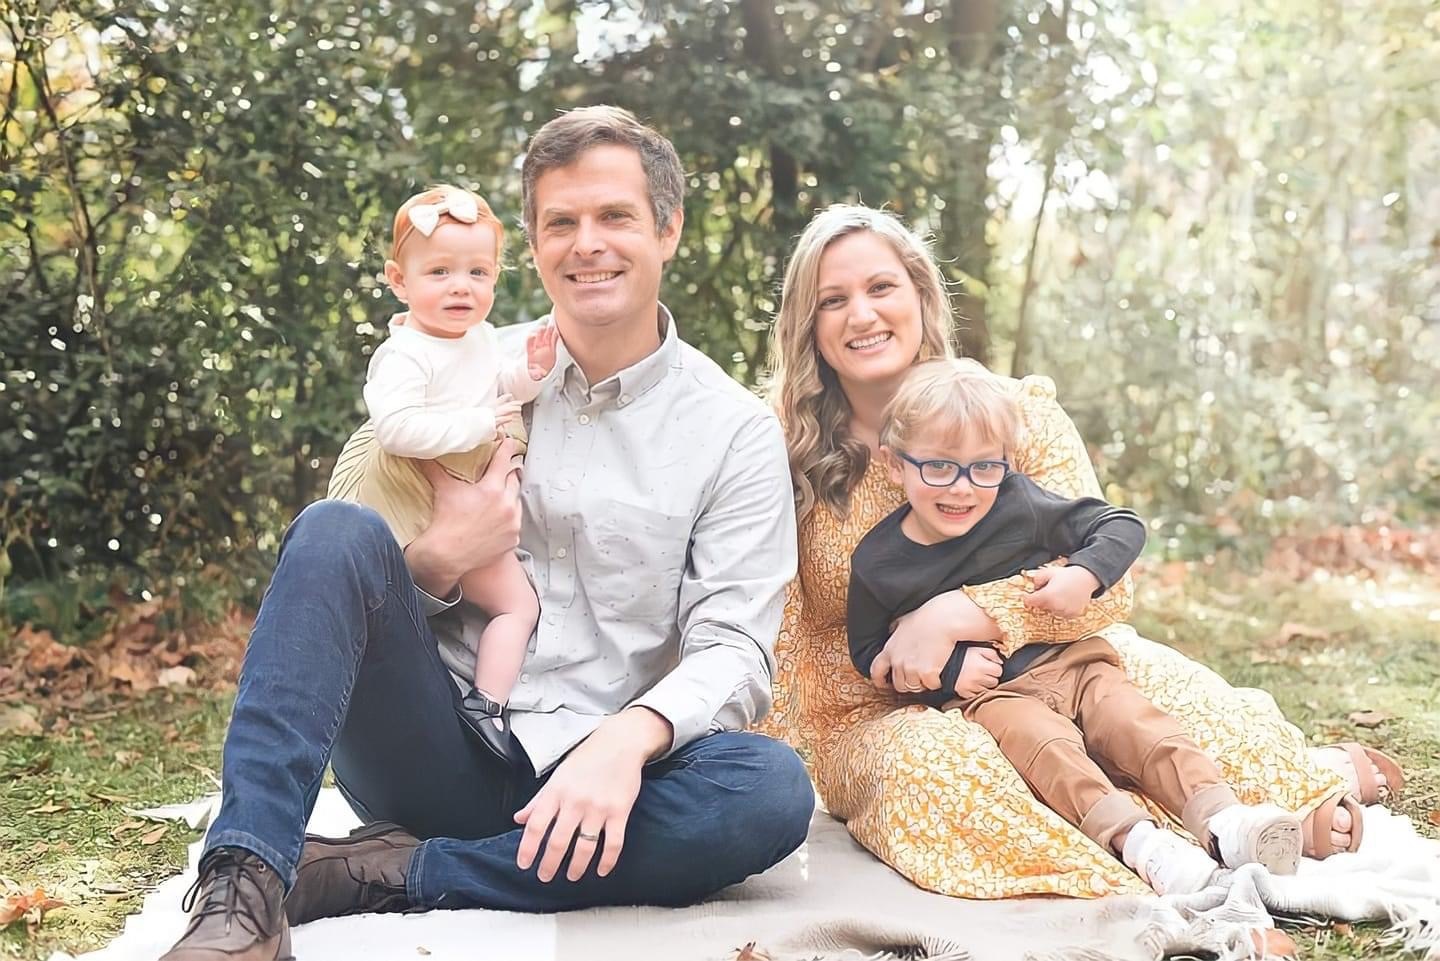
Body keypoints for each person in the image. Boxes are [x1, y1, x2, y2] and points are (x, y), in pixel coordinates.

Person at [161, 106, 813, 961]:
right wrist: (437, 562)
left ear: (668, 228)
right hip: (434, 742)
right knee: (330, 530)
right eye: (560, 222)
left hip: (596, 784)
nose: (588, 244)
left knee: (767, 791)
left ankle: (393, 873)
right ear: (533, 246)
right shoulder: (459, 367)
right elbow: (354, 574)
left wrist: (628, 738)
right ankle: (241, 893)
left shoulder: (733, 428)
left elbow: (735, 648)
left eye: (614, 216)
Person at [760, 203, 1390, 900]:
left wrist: (958, 612)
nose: (861, 314)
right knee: (946, 770)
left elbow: (1109, 585)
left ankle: (1272, 793)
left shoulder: (1011, 414)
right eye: (833, 299)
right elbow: (777, 632)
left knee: (1161, 707)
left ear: (919, 293)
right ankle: (1143, 868)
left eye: (880, 287)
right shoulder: (778, 451)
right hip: (879, 711)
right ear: (808, 324)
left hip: (1059, 650)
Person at [846, 357, 1303, 894]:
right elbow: (871, 654)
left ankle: (1223, 821)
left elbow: (1119, 524)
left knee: (1137, 725)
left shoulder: (1020, 503)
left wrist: (1084, 573)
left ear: (1005, 463)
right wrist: (949, 672)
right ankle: (1141, 845)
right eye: (939, 467)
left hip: (1076, 664)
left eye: (984, 467)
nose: (963, 489)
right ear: (893, 464)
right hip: (993, 697)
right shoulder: (878, 561)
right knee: (1048, 752)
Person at [327, 184, 559, 763]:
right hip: (416, 499)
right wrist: (481, 425)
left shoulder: (477, 338)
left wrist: (528, 375)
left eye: (478, 272)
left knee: (517, 606)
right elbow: (397, 429)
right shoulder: (406, 354)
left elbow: (499, 389)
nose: (462, 286)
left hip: (472, 495)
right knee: (410, 600)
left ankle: (486, 706)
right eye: (440, 272)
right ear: (399, 281)